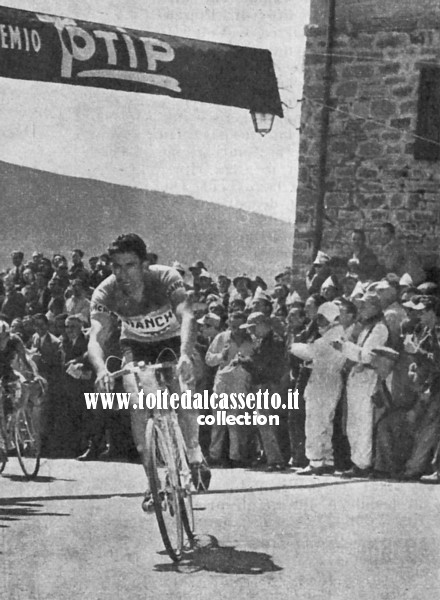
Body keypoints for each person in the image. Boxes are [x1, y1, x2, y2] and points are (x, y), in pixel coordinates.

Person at [87, 233, 210, 507]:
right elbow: (96, 337)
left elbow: (187, 315)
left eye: (130, 265)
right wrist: (100, 370)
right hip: (136, 345)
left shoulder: (165, 278)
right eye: (116, 266)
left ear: (145, 265)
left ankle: (194, 454)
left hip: (173, 342)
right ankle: (153, 483)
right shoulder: (105, 292)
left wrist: (186, 355)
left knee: (182, 393)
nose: (122, 273)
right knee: (138, 403)